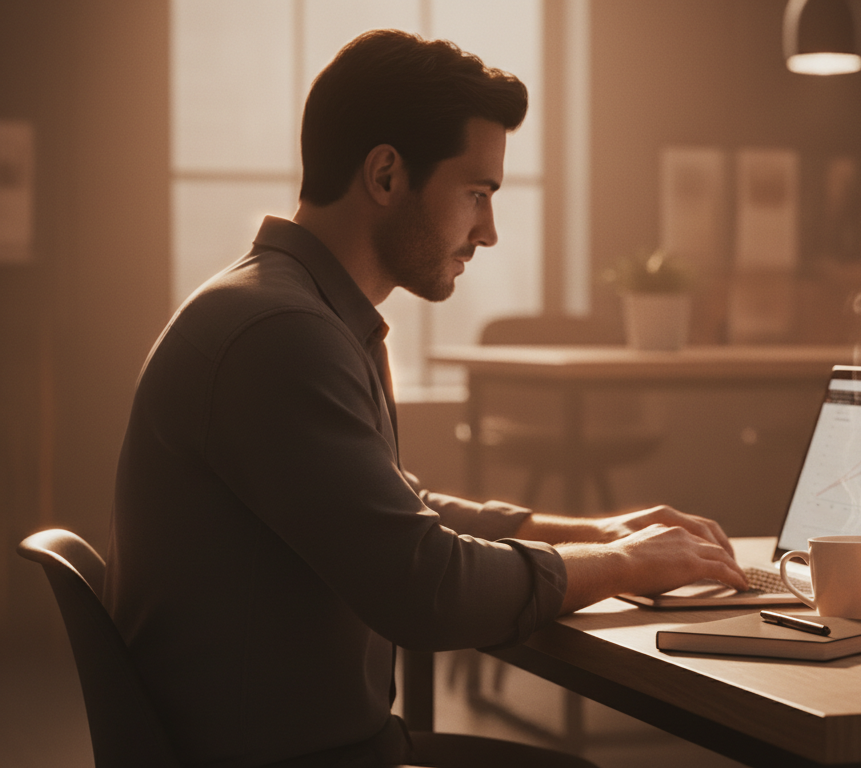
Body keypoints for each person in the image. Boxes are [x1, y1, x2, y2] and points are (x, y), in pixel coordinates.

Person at [105, 29, 747, 768]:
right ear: (385, 176)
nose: (490, 231)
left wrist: (601, 536)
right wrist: (628, 566)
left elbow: (399, 512)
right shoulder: (281, 335)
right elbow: (424, 587)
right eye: (476, 193)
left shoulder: (288, 310)